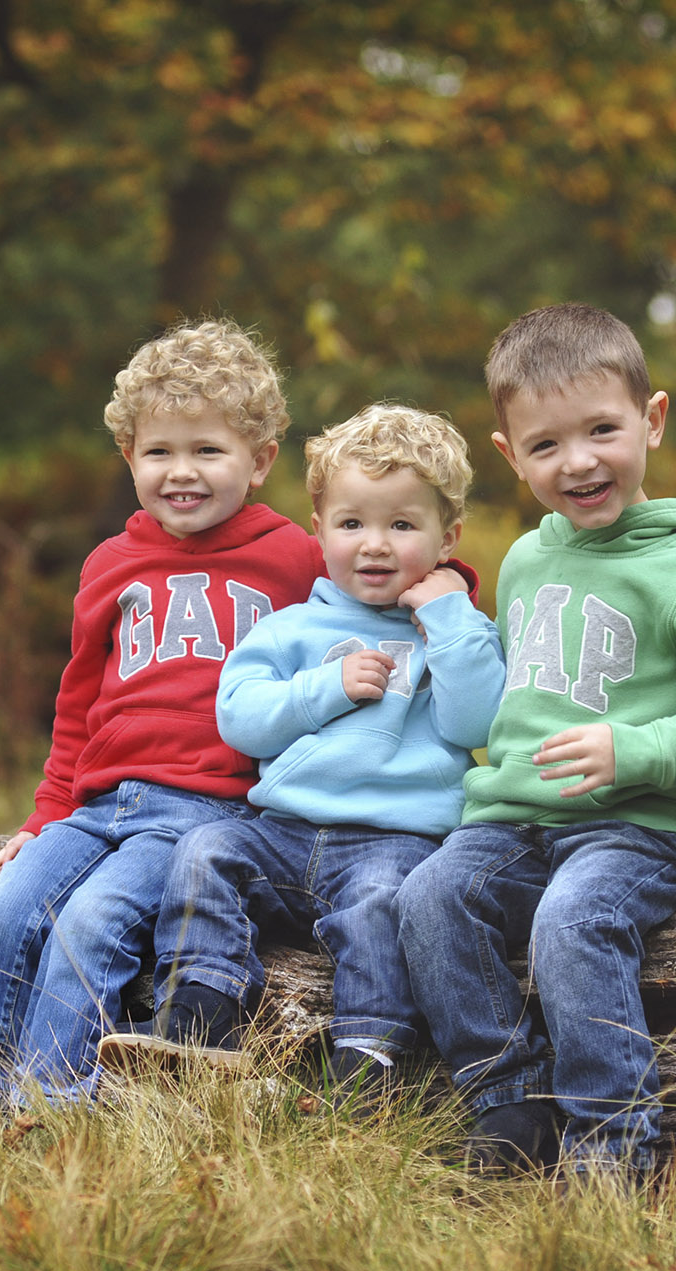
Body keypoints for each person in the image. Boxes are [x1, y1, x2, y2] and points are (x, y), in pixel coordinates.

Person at [395, 303, 676, 1181]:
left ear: (652, 420)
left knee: (570, 922)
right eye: (544, 446)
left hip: (641, 825)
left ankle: (611, 1148)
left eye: (602, 430)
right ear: (510, 456)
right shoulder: (532, 559)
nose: (577, 462)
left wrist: (636, 751)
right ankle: (507, 1102)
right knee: (428, 900)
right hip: (515, 821)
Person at [0, 318, 324, 1107]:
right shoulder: (111, 563)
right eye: (159, 452)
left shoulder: (295, 559)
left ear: (260, 460)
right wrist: (44, 819)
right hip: (98, 804)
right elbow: (77, 706)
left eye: (208, 451)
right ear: (128, 456)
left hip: (203, 811)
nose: (183, 473)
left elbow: (382, 572)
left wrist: (443, 574)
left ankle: (49, 1104)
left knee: (93, 924)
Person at [97, 403, 504, 1100]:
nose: (374, 545)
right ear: (319, 532)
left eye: (402, 525)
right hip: (281, 833)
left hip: (394, 840)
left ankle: (367, 1053)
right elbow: (243, 721)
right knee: (203, 854)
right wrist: (325, 690)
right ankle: (200, 1012)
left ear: (448, 537)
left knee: (382, 904)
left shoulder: (457, 635)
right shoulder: (289, 628)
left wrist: (449, 616)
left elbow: (477, 723)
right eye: (352, 524)